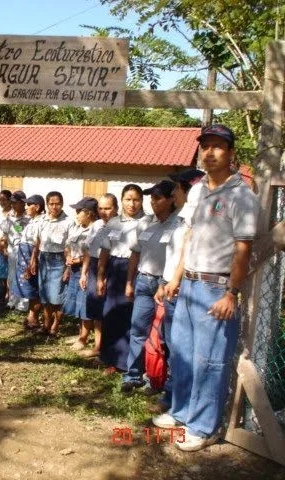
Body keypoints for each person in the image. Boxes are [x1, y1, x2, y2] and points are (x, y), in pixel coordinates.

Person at [153, 125, 259, 452]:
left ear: (230, 153)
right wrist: (175, 277)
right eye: (206, 147)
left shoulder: (241, 195)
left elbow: (243, 249)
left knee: (210, 360)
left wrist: (232, 293)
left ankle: (204, 427)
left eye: (218, 147)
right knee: (183, 353)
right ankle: (182, 412)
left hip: (216, 289)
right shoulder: (198, 191)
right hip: (188, 283)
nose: (210, 153)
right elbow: (190, 237)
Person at [151, 169, 205, 412]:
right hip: (170, 288)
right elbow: (173, 257)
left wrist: (173, 282)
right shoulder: (181, 217)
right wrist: (164, 283)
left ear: (188, 191)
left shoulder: (194, 220)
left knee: (180, 348)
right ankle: (172, 394)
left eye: (177, 188)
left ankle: (175, 399)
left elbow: (188, 257)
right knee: (171, 343)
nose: (173, 193)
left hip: (181, 290)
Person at [121, 180, 176, 393]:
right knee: (138, 329)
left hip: (166, 285)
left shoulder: (178, 224)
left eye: (158, 198)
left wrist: (167, 283)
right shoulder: (145, 224)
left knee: (165, 336)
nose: (153, 202)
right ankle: (132, 376)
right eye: (151, 198)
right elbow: (135, 254)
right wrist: (129, 282)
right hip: (144, 282)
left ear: (171, 199)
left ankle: (160, 380)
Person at [97, 184, 145, 374]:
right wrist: (101, 276)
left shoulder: (147, 222)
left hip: (137, 269)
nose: (132, 204)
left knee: (132, 317)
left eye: (136, 199)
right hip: (115, 269)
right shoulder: (114, 223)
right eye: (128, 199)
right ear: (122, 200)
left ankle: (129, 363)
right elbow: (105, 251)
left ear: (142, 201)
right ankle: (111, 359)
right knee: (111, 314)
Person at [78, 194, 119, 358]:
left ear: (115, 208)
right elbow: (89, 250)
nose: (104, 212)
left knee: (107, 310)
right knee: (95, 308)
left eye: (108, 208)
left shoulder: (118, 226)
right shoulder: (96, 225)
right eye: (101, 208)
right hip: (95, 266)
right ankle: (97, 346)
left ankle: (104, 347)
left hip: (112, 267)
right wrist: (84, 272)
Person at [30, 191, 74, 336]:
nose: (55, 207)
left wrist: (68, 268)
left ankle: (56, 324)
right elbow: (37, 242)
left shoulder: (69, 221)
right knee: (45, 295)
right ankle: (46, 323)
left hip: (59, 260)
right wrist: (33, 260)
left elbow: (70, 247)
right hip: (43, 258)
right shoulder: (42, 220)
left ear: (62, 204)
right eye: (51, 204)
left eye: (58, 204)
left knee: (57, 296)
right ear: (47, 204)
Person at [63, 197, 98, 347]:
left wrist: (79, 260)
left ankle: (83, 338)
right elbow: (67, 246)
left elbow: (94, 253)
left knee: (85, 304)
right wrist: (69, 257)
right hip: (75, 270)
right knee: (77, 302)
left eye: (79, 211)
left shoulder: (95, 230)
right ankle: (80, 335)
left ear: (89, 213)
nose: (76, 214)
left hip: (87, 271)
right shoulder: (77, 228)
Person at [14, 194, 45, 329]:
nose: (26, 207)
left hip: (31, 259)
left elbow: (37, 244)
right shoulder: (31, 220)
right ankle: (30, 315)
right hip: (23, 256)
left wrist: (31, 263)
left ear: (37, 207)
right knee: (28, 289)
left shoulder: (41, 222)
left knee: (34, 289)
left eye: (28, 205)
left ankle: (34, 316)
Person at [1, 190, 30, 312]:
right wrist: (4, 247)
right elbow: (5, 233)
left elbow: (27, 235)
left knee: (23, 277)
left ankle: (23, 305)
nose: (12, 205)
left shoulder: (29, 218)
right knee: (12, 276)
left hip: (24, 251)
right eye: (12, 202)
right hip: (12, 250)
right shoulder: (10, 217)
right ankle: (12, 301)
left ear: (23, 203)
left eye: (15, 202)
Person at [0, 190, 12, 307]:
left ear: (10, 200)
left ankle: (7, 298)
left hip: (10, 249)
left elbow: (18, 231)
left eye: (4, 199)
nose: (2, 202)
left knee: (7, 274)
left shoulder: (14, 215)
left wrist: (8, 246)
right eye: (0, 199)